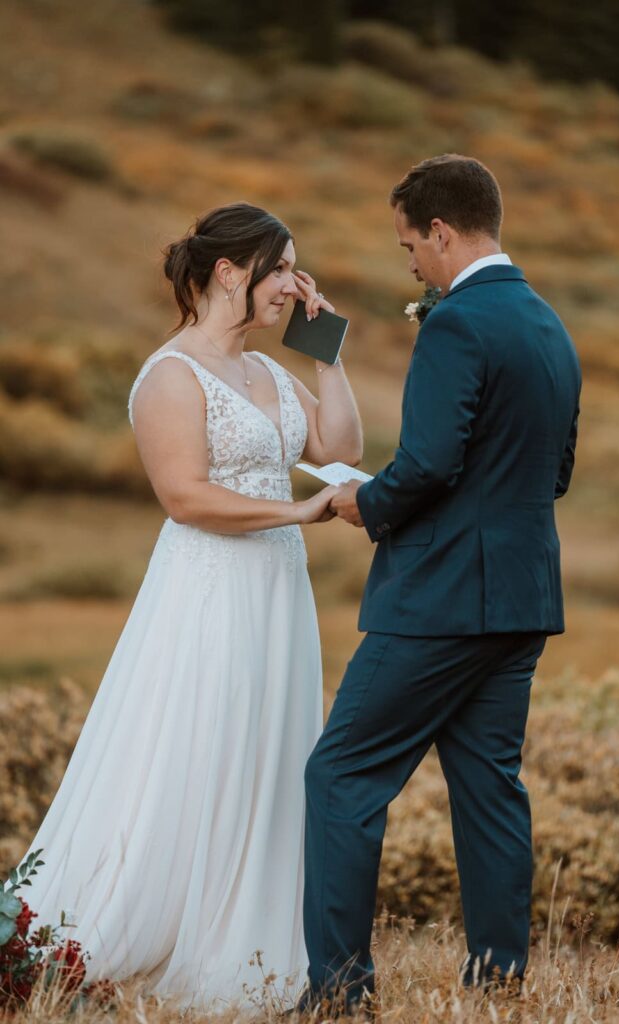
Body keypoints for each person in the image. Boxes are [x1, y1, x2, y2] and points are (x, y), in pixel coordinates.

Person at [17, 203, 361, 1013]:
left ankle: (251, 929)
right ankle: (128, 933)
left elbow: (340, 450)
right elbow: (184, 497)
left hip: (278, 592)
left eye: (295, 270)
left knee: (269, 747)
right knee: (201, 741)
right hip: (210, 589)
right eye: (280, 269)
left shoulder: (267, 372)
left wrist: (327, 352)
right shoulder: (169, 375)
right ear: (229, 272)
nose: (293, 285)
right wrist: (298, 511)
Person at [298, 154, 582, 1016]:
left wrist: (365, 502)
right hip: (521, 599)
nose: (411, 265)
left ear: (441, 231)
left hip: (441, 602)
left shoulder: (456, 323)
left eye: (410, 247)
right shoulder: (546, 323)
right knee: (490, 788)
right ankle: (498, 983)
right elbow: (555, 472)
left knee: (342, 775)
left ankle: (340, 993)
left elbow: (425, 465)